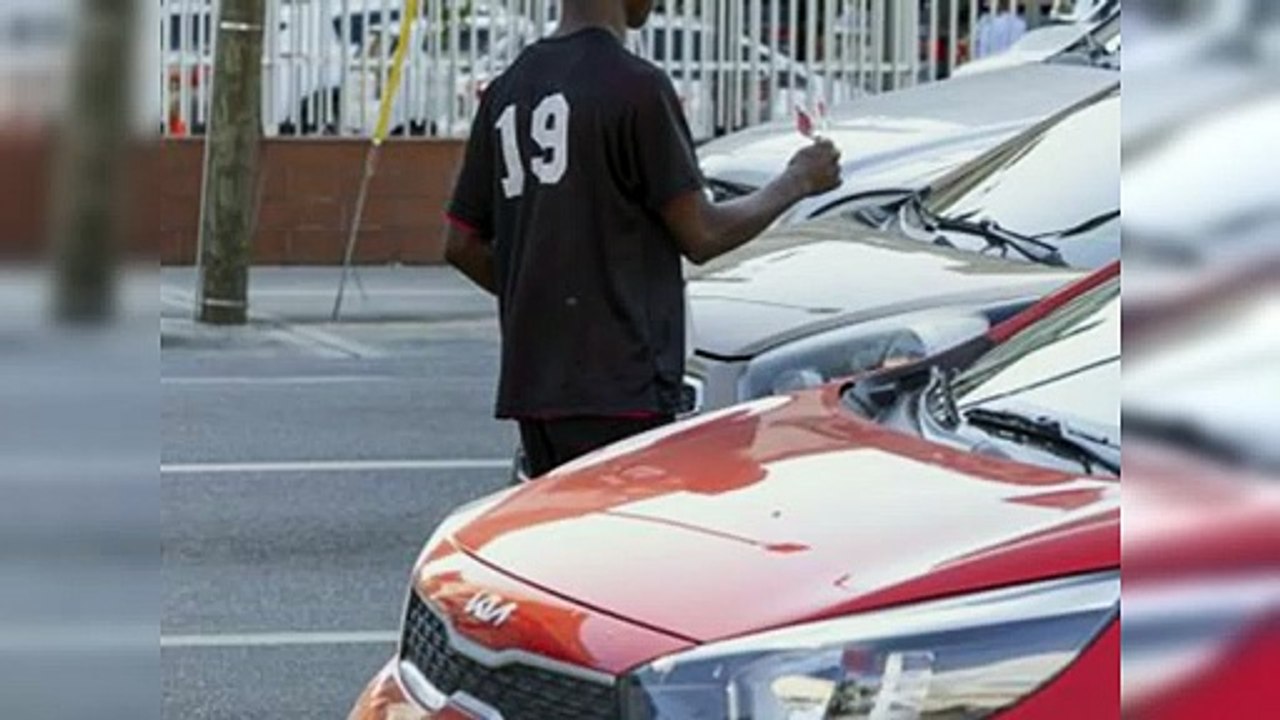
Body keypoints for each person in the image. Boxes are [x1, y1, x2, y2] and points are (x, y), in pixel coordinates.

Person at [443, 0, 842, 478]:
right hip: (620, 382)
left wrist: (538, 299)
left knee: (562, 534)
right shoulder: (636, 86)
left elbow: (462, 244)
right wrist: (797, 180)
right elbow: (702, 233)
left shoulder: (508, 89)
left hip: (535, 381)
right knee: (616, 540)